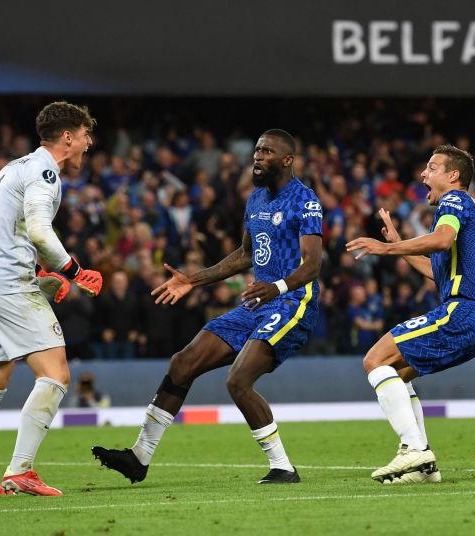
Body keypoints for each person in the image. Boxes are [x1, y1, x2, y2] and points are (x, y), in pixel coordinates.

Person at [92, 129, 322, 485]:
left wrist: (275, 288)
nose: (257, 157)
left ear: (287, 160)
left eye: (266, 152)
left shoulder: (305, 201)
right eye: (256, 150)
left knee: (238, 380)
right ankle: (139, 457)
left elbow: (312, 265)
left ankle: (283, 467)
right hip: (256, 303)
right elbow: (246, 255)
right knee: (183, 363)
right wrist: (192, 280)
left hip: (293, 302)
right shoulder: (256, 200)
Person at [0, 101, 103, 496]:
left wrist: (41, 274)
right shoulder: (45, 172)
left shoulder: (15, 166)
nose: (89, 143)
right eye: (85, 135)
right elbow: (40, 232)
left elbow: (14, 233)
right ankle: (20, 469)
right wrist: (75, 272)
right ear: (67, 137)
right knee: (56, 373)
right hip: (8, 285)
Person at [346, 144, 475, 483]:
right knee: (396, 374)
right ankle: (424, 466)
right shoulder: (469, 210)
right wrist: (400, 244)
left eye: (431, 167)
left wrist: (387, 248)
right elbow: (436, 270)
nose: (423, 174)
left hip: (464, 310)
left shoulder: (454, 201)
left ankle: (414, 449)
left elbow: (441, 240)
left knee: (375, 360)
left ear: (453, 176)